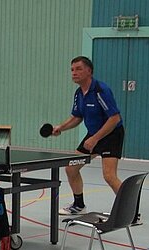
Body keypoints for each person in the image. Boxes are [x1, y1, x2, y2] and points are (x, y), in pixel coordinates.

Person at [51, 56, 139, 223]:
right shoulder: (79, 93)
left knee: (109, 175)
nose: (74, 73)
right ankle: (79, 205)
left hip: (111, 134)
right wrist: (60, 127)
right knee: (71, 168)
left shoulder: (100, 90)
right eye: (72, 70)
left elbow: (114, 118)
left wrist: (95, 139)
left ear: (89, 71)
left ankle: (131, 212)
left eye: (78, 69)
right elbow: (77, 117)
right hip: (93, 135)